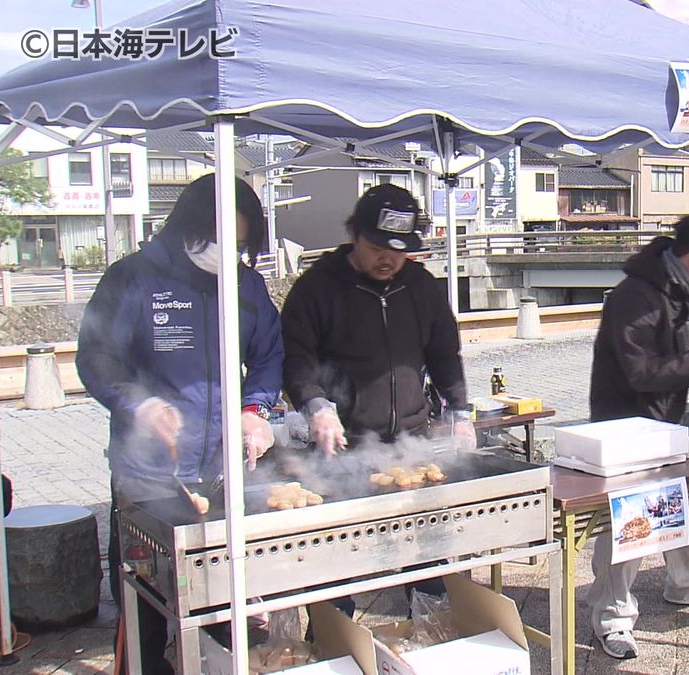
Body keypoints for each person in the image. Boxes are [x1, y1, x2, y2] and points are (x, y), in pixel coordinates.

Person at [77, 174, 282, 675]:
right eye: (218, 242)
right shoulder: (134, 278)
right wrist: (139, 405)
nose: (226, 254)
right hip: (149, 476)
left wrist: (254, 410)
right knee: (145, 604)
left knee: (219, 599)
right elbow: (97, 356)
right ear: (188, 228)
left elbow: (269, 355)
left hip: (221, 470)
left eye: (238, 245)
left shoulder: (246, 284)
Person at [280, 183, 470, 624]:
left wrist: (459, 410)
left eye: (399, 250)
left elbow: (444, 353)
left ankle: (430, 632)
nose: (388, 259)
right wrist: (316, 405)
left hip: (411, 442)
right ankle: (333, 638)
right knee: (337, 561)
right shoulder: (318, 287)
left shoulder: (421, 286)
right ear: (354, 234)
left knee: (427, 551)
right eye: (377, 247)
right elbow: (296, 358)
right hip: (340, 445)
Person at [587, 211, 689, 660]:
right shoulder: (633, 296)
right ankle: (612, 616)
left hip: (668, 423)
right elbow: (640, 373)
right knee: (627, 523)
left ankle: (688, 585)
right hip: (622, 423)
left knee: (687, 504)